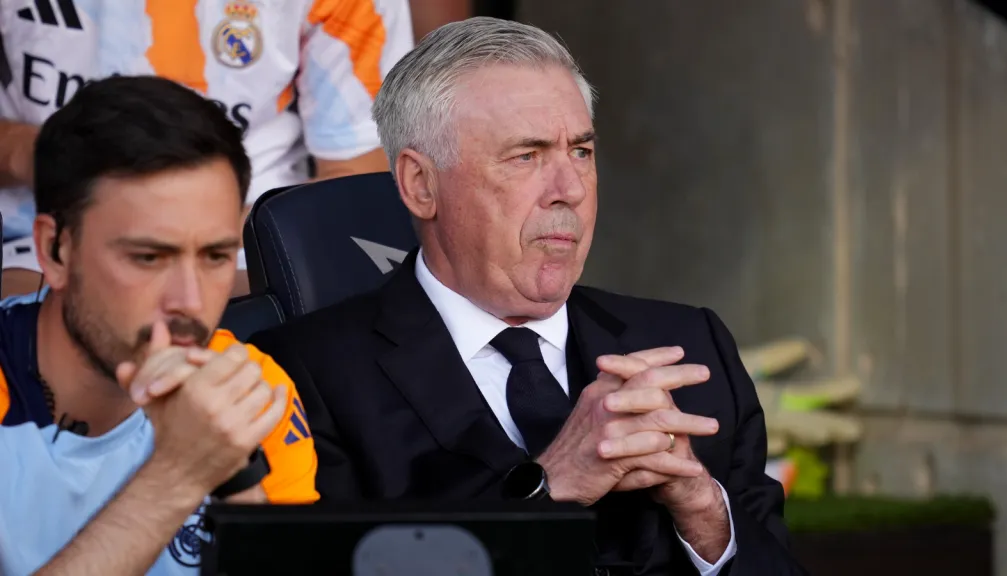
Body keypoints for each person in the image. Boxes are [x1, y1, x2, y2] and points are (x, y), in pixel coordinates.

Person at [248, 17, 806, 575]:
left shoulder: (688, 347)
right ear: (421, 184)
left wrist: (704, 513)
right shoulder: (301, 376)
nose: (570, 190)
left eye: (582, 152)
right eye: (527, 156)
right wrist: (549, 487)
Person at [0, 75, 318, 576]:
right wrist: (180, 475)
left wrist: (239, 482)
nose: (189, 303)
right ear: (55, 251)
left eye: (216, 256)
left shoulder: (253, 391)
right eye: (149, 257)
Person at [0, 0, 415, 297]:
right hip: (33, 243)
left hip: (241, 250)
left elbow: (356, 180)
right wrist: (49, 154)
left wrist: (200, 244)